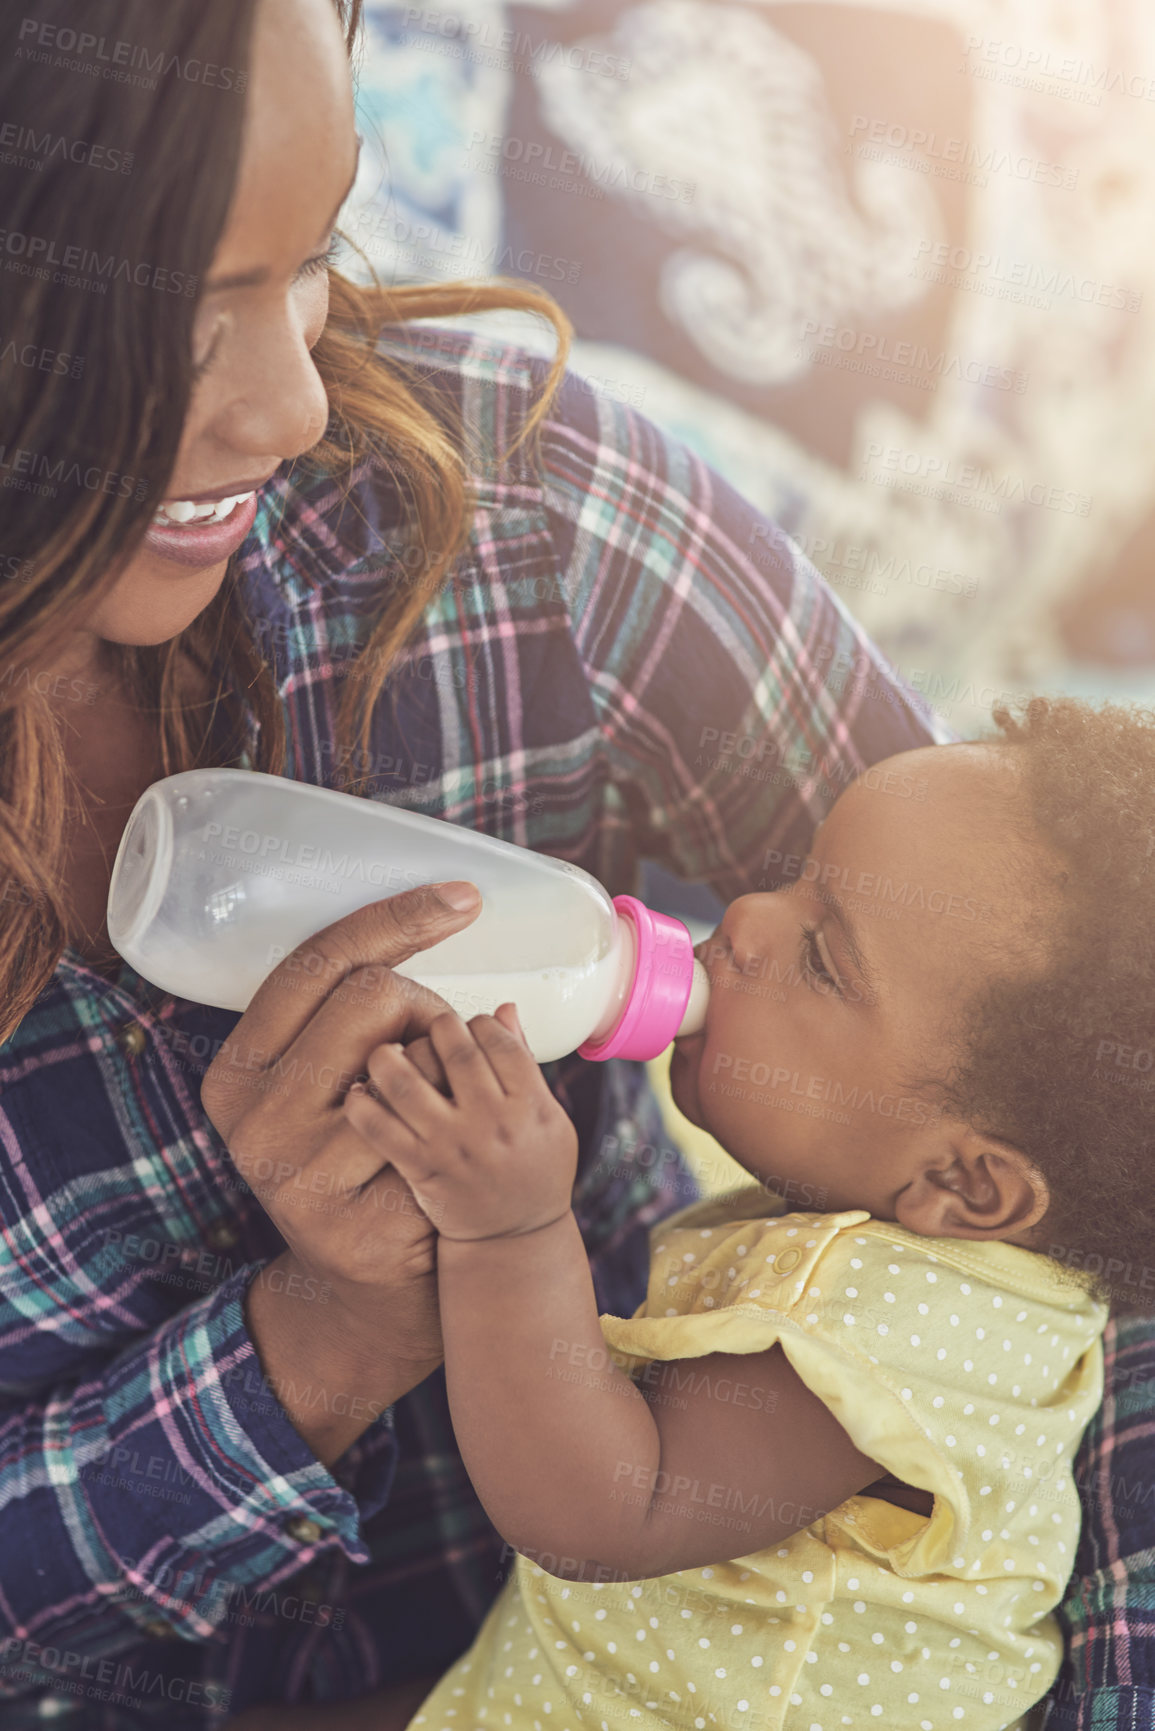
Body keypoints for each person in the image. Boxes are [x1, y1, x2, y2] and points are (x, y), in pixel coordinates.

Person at [0, 0, 944, 1726]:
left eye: (307, 256)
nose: (290, 408)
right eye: (188, 314)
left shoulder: (510, 512)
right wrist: (314, 1349)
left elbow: (1071, 1076)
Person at [336, 697, 1153, 1731]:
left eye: (824, 958)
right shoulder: (996, 1281)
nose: (751, 919)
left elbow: (597, 1511)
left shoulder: (884, 1331)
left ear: (970, 1186)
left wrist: (508, 1232)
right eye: (797, 877)